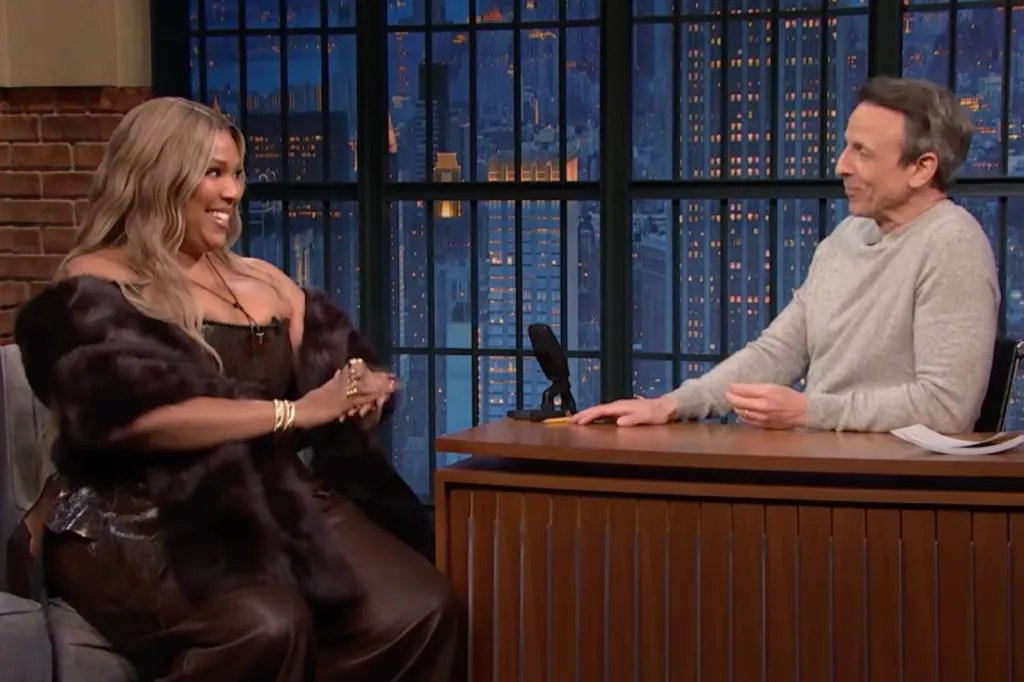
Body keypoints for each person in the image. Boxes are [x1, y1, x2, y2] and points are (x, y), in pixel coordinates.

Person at [12, 97, 464, 681]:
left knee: (423, 608)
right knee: (267, 627)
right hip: (141, 514)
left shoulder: (261, 279)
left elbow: (334, 373)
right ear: (158, 175)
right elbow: (135, 416)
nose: (233, 192)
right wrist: (293, 412)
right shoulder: (95, 279)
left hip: (274, 496)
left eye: (237, 173)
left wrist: (361, 393)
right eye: (213, 173)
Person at [573, 76, 998, 434]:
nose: (841, 165)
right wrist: (672, 404)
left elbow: (947, 408)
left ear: (921, 168)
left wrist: (809, 411)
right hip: (821, 461)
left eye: (862, 152)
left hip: (889, 484)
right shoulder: (847, 237)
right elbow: (776, 353)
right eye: (846, 147)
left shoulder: (951, 245)